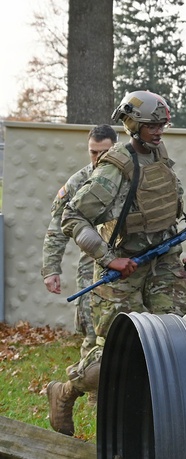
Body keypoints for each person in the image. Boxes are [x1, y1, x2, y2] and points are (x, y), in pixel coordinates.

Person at [47, 90, 186, 436]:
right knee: (115, 353)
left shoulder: (158, 153)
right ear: (132, 124)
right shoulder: (115, 166)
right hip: (122, 268)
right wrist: (110, 259)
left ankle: (148, 422)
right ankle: (66, 392)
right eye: (151, 125)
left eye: (162, 124)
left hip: (162, 260)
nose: (158, 131)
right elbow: (73, 216)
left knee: (170, 339)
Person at [40, 125, 118, 357]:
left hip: (128, 264)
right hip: (92, 269)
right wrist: (51, 269)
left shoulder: (129, 178)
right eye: (93, 152)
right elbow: (57, 227)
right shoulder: (80, 181)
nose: (98, 158)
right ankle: (85, 389)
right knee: (93, 335)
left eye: (105, 152)